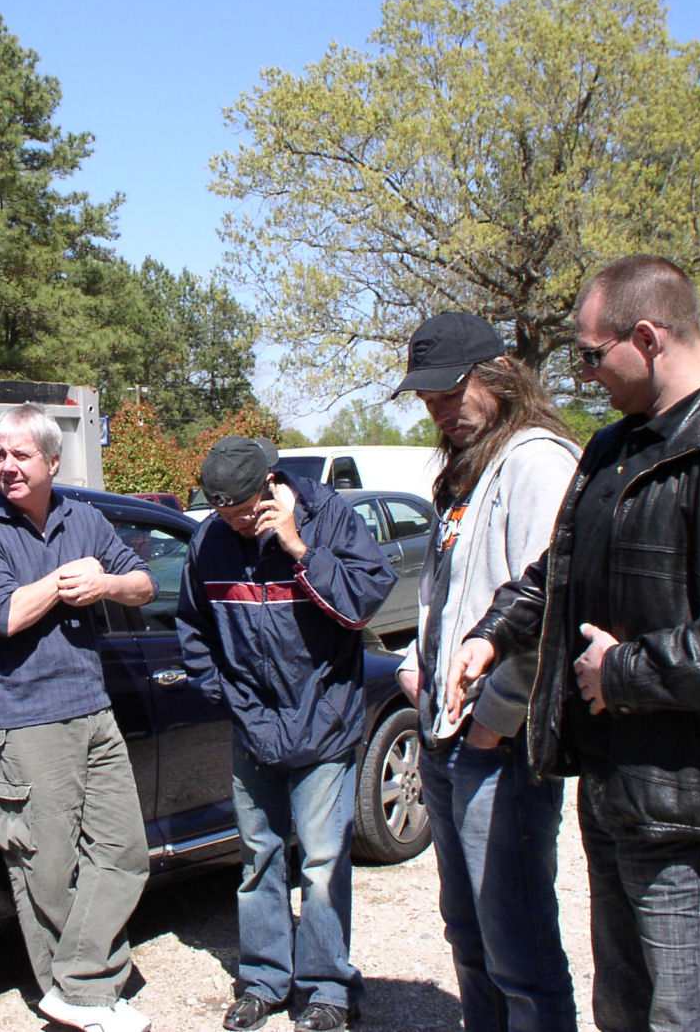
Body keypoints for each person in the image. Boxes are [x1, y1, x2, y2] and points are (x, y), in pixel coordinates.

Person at [447, 255, 700, 1032]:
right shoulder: (613, 449)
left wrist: (622, 671)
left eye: (593, 354)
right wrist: (491, 635)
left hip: (696, 814)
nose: (584, 375)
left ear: (649, 338)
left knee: (696, 1018)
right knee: (623, 1011)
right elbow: (556, 571)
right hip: (617, 794)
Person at [392, 313, 579, 1032]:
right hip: (449, 739)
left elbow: (549, 608)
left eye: (451, 393)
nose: (440, 410)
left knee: (518, 950)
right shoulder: (465, 470)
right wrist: (417, 664)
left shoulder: (537, 462)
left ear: (498, 375)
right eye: (428, 399)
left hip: (499, 751)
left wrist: (492, 727)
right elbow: (447, 594)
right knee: (469, 937)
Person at [176, 436, 397, 1032]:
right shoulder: (210, 541)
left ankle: (327, 989)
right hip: (254, 727)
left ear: (271, 487)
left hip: (323, 722)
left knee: (321, 863)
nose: (238, 524)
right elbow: (194, 627)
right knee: (258, 859)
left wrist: (299, 547)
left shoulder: (329, 519)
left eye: (246, 512)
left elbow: (362, 604)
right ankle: (264, 981)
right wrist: (226, 695)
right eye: (224, 514)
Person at [0, 403, 156, 1032]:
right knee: (46, 867)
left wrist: (106, 585)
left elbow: (144, 584)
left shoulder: (84, 517)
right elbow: (6, 615)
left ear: (52, 461)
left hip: (93, 707)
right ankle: (86, 996)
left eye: (20, 455)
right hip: (24, 718)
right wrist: (69, 578)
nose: (7, 466)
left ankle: (79, 988)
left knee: (124, 851)